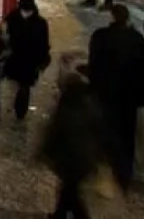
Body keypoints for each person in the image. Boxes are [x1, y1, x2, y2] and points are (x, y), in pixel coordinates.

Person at [87, 3, 144, 192]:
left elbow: (94, 64)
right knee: (127, 134)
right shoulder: (138, 40)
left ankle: (103, 169)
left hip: (106, 94)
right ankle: (124, 173)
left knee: (105, 130)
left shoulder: (101, 37)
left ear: (112, 17)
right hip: (129, 98)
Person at [38, 72, 107, 219]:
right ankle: (60, 214)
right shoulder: (88, 104)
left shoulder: (67, 110)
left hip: (73, 162)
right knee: (68, 191)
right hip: (85, 160)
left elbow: (55, 133)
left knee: (70, 193)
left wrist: (44, 152)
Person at [3, 0, 51, 122]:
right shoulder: (15, 19)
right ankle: (18, 108)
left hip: (29, 61)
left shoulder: (16, 18)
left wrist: (43, 59)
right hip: (18, 59)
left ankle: (20, 110)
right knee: (18, 85)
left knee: (24, 87)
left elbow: (43, 44)